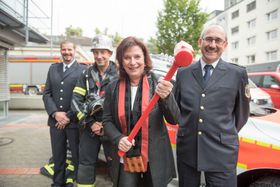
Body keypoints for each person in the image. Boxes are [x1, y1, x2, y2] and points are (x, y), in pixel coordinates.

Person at [174, 24, 250, 187]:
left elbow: (241, 115)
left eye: (218, 40)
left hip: (222, 152)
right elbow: (176, 112)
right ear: (200, 42)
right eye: (208, 39)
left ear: (225, 45)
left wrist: (221, 134)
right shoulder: (183, 72)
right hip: (188, 149)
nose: (212, 44)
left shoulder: (237, 74)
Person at [102, 36, 180, 187]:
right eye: (127, 57)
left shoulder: (159, 83)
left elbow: (174, 119)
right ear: (120, 60)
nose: (132, 62)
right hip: (126, 158)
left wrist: (167, 97)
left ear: (145, 58)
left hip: (155, 158)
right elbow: (107, 120)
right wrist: (118, 139)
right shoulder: (112, 88)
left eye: (137, 56)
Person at [71, 35, 118, 187]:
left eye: (103, 52)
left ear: (110, 53)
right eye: (96, 52)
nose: (99, 56)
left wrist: (106, 125)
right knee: (85, 165)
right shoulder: (85, 74)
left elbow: (123, 104)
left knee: (117, 167)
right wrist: (90, 122)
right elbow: (75, 100)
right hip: (89, 128)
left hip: (112, 129)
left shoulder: (120, 74)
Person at [43, 40, 86, 187]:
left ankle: (73, 181)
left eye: (69, 50)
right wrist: (55, 113)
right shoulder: (53, 69)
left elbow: (82, 98)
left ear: (75, 51)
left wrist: (68, 116)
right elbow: (47, 93)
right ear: (60, 51)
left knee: (76, 156)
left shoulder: (82, 70)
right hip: (55, 121)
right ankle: (58, 182)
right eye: (64, 50)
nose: (67, 53)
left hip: (73, 121)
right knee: (58, 155)